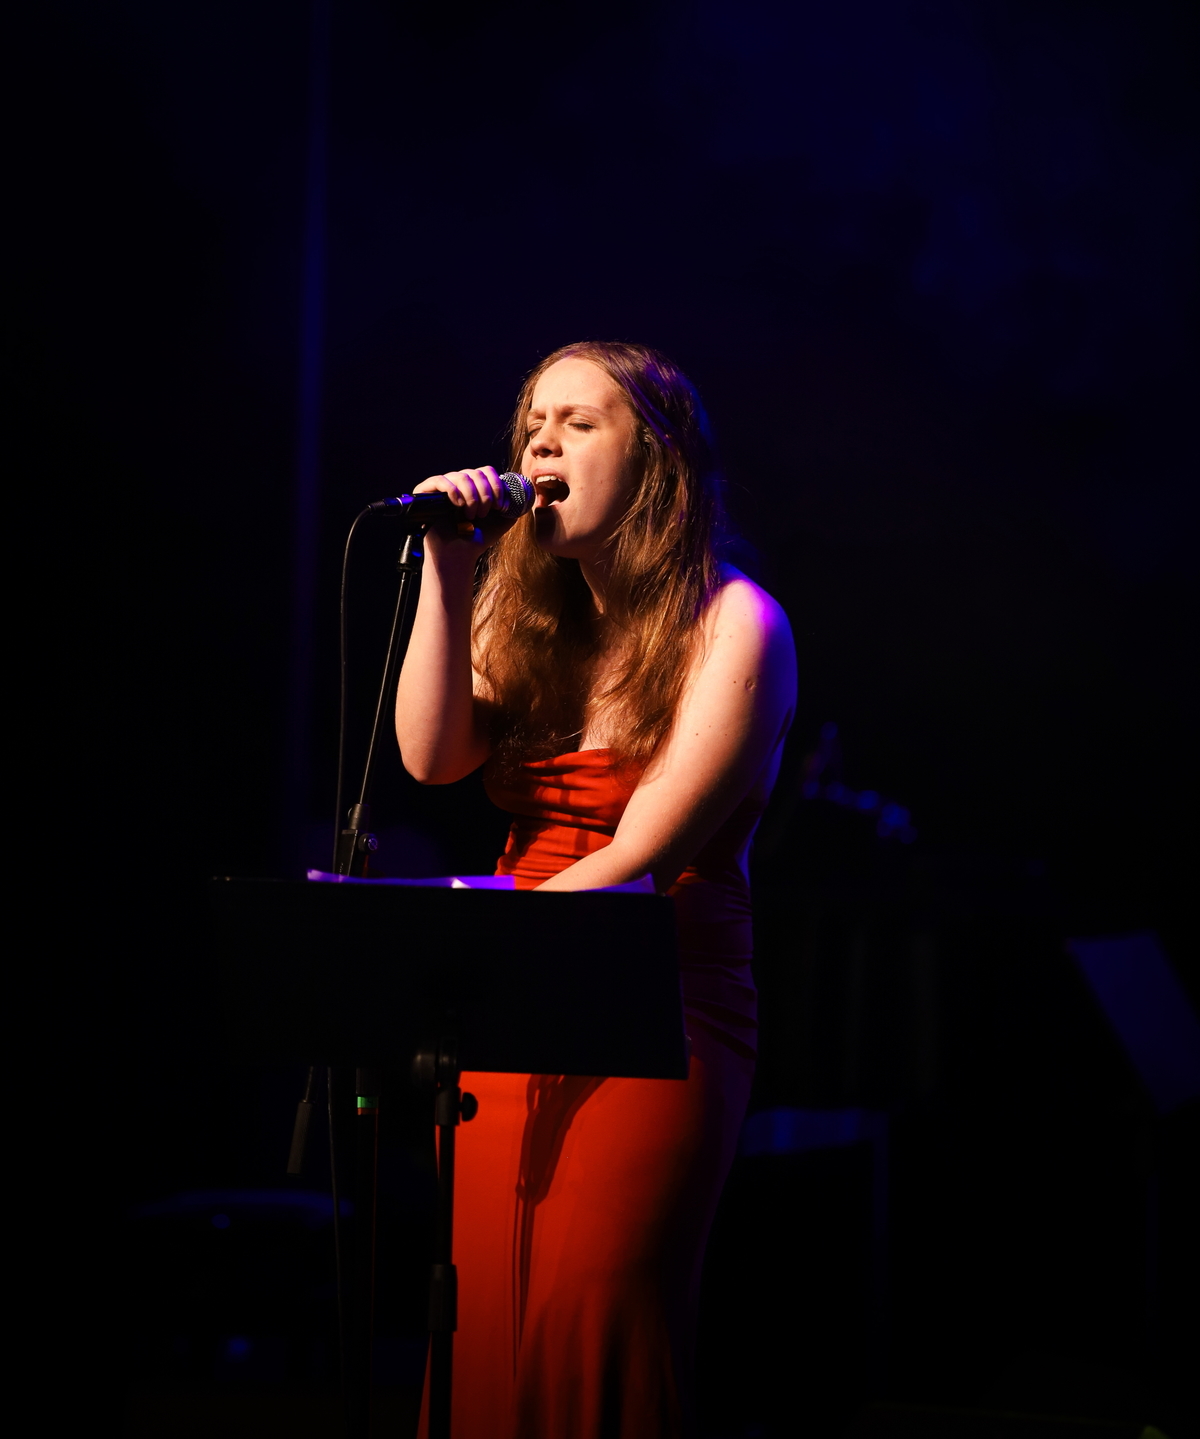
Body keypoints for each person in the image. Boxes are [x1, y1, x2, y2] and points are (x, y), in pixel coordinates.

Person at [395, 341, 796, 1438]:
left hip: (655, 1009)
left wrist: (461, 942)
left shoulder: (737, 625)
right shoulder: (522, 610)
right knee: (486, 1314)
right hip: (505, 996)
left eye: (578, 423)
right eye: (533, 423)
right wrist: (445, 561)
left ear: (657, 460)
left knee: (592, 1304)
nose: (541, 444)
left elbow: (639, 858)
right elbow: (431, 756)